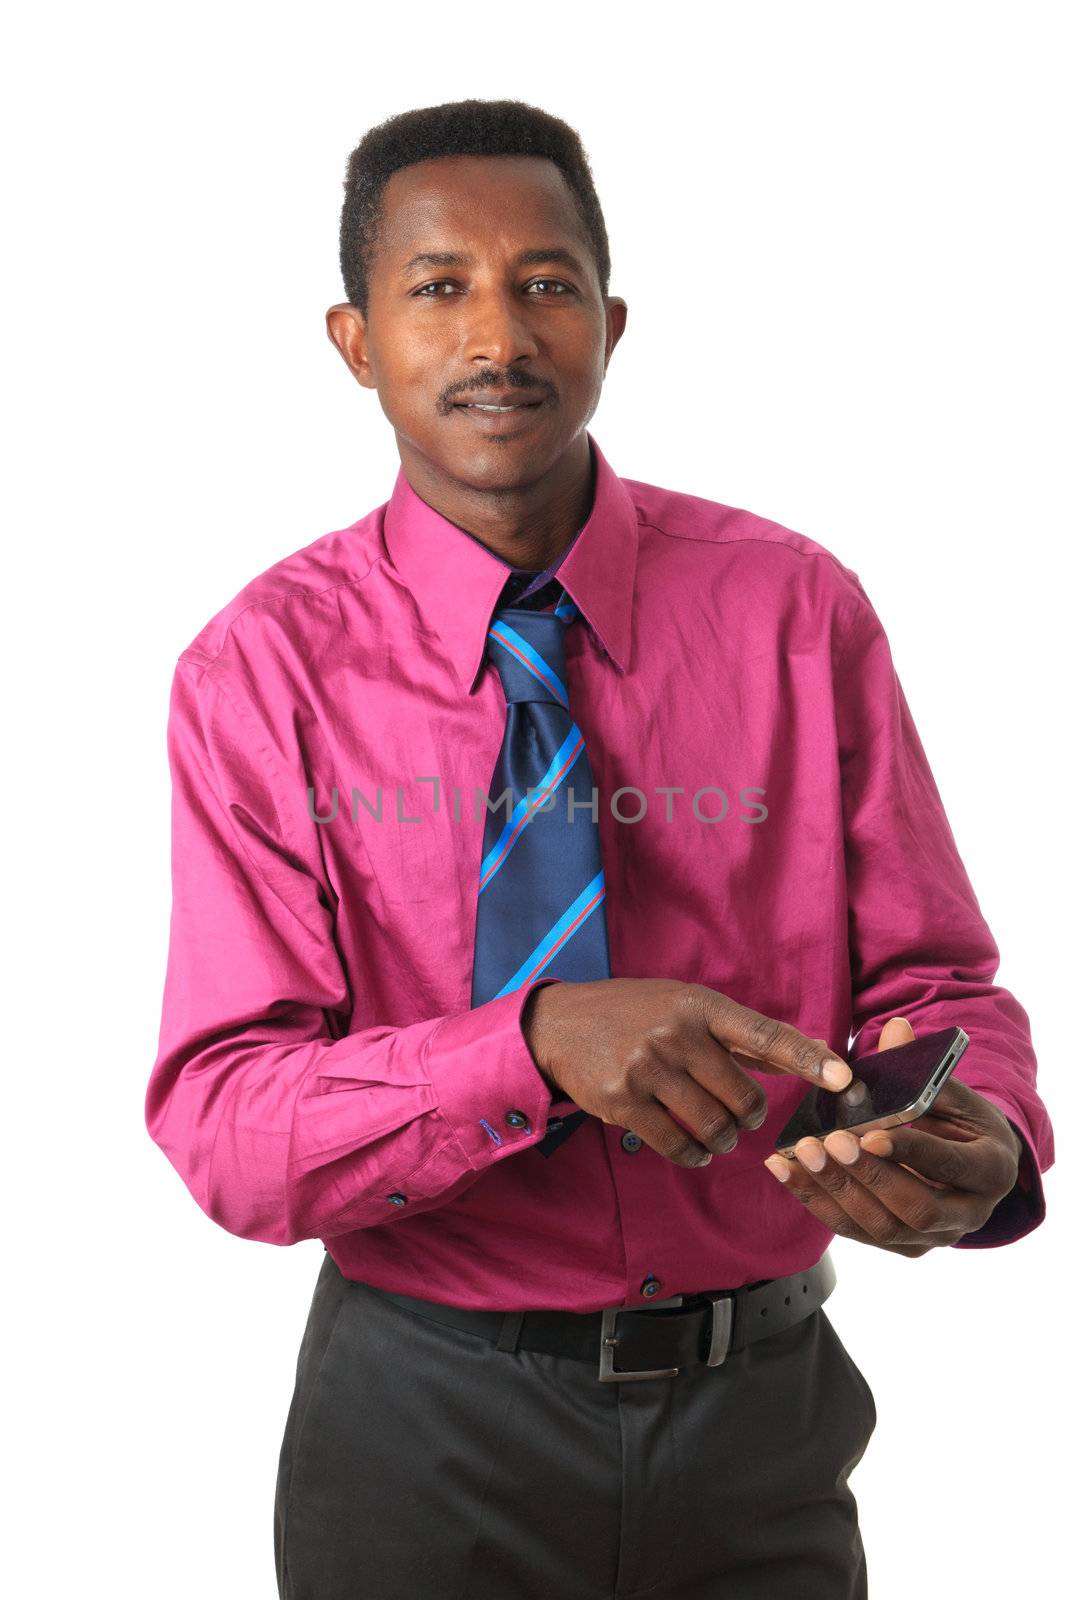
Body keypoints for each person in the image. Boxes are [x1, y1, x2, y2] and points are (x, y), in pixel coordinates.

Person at [144, 98, 1053, 1600]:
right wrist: (535, 1040)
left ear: (612, 322)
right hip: (427, 1427)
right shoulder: (260, 673)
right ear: (355, 340)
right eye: (439, 288)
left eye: (545, 283)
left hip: (763, 1422)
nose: (498, 334)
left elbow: (936, 982)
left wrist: (982, 1134)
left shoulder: (793, 610)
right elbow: (229, 1125)